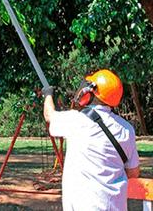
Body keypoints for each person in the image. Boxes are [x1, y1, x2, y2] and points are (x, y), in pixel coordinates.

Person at [43, 69, 140, 211]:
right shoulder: (126, 129)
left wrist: (48, 94)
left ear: (90, 92)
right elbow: (133, 172)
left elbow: (49, 116)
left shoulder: (76, 120)